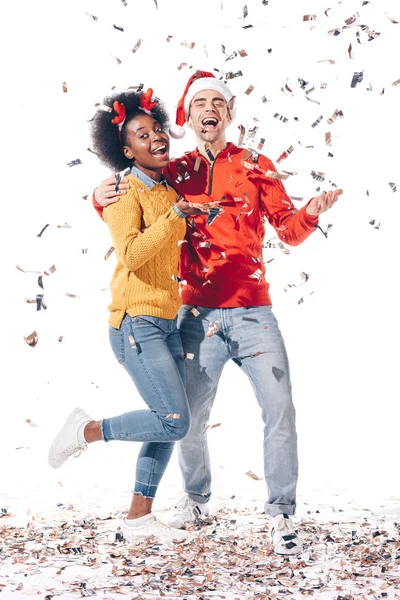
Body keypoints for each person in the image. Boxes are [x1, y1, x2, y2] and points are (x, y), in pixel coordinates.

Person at [93, 71, 343, 555]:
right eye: (199, 102)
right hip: (195, 316)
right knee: (188, 417)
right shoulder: (174, 168)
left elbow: (288, 232)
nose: (210, 108)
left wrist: (310, 212)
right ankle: (196, 501)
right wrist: (96, 197)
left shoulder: (256, 165)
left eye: (219, 102)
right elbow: (133, 200)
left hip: (254, 314)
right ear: (188, 116)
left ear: (228, 114)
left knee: (279, 411)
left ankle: (281, 515)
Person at [48, 87, 210, 545]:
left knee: (168, 419)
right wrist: (174, 215)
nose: (155, 137)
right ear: (126, 150)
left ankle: (139, 518)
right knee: (176, 421)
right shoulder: (122, 190)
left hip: (166, 318)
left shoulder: (166, 186)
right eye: (142, 134)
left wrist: (182, 211)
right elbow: (134, 255)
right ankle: (87, 430)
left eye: (157, 128)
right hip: (135, 323)